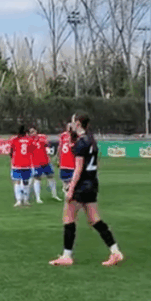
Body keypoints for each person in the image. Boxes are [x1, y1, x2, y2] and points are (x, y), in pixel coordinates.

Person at [50, 114, 124, 267]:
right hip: (92, 183)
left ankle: (67, 255)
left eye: (72, 121)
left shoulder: (81, 143)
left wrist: (71, 189)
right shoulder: (90, 140)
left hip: (81, 184)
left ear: (77, 123)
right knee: (94, 220)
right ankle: (115, 251)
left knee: (68, 217)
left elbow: (78, 168)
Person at [28, 127, 60, 203]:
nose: (33, 133)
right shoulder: (29, 141)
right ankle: (38, 198)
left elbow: (47, 145)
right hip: (36, 163)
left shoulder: (42, 137)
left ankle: (54, 195)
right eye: (31, 132)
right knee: (37, 179)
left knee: (51, 177)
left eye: (34, 131)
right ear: (29, 134)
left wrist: (48, 149)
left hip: (46, 161)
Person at [9, 125, 35, 208]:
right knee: (26, 182)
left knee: (17, 181)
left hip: (17, 163)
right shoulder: (29, 140)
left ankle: (19, 200)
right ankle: (26, 200)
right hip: (27, 164)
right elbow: (32, 150)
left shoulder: (14, 139)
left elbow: (11, 151)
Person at [58, 121, 77, 193]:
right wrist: (58, 158)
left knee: (72, 179)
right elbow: (60, 147)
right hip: (64, 161)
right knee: (65, 179)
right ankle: (67, 190)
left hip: (72, 161)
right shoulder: (63, 135)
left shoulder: (75, 135)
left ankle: (69, 190)